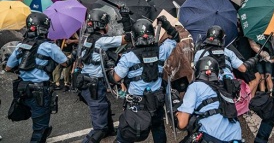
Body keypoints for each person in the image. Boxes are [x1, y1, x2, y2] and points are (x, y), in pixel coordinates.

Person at [5, 12, 73, 143]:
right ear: (43, 28)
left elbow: (8, 67)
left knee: (40, 122)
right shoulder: (49, 46)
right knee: (40, 128)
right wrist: (73, 55)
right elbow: (65, 63)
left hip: (23, 90)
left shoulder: (21, 45)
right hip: (39, 92)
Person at [111, 15, 180, 143]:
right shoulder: (162, 50)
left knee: (127, 132)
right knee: (158, 129)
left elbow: (116, 78)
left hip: (137, 104)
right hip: (156, 100)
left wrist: (111, 69)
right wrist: (166, 25)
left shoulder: (129, 56)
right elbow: (176, 37)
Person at [77, 8, 131, 143]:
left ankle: (110, 130)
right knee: (98, 128)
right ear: (101, 25)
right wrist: (126, 18)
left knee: (105, 105)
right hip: (93, 85)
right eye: (106, 23)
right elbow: (127, 39)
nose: (108, 26)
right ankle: (102, 131)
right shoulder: (101, 41)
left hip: (84, 82)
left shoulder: (86, 38)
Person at [176, 56, 243, 143]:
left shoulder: (195, 86)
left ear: (197, 72)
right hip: (236, 136)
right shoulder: (224, 87)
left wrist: (178, 114)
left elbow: (182, 124)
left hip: (213, 137)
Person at [194, 25, 258, 93]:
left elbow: (195, 70)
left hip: (206, 87)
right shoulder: (228, 52)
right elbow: (243, 69)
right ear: (222, 39)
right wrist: (254, 60)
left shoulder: (199, 53)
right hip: (227, 89)